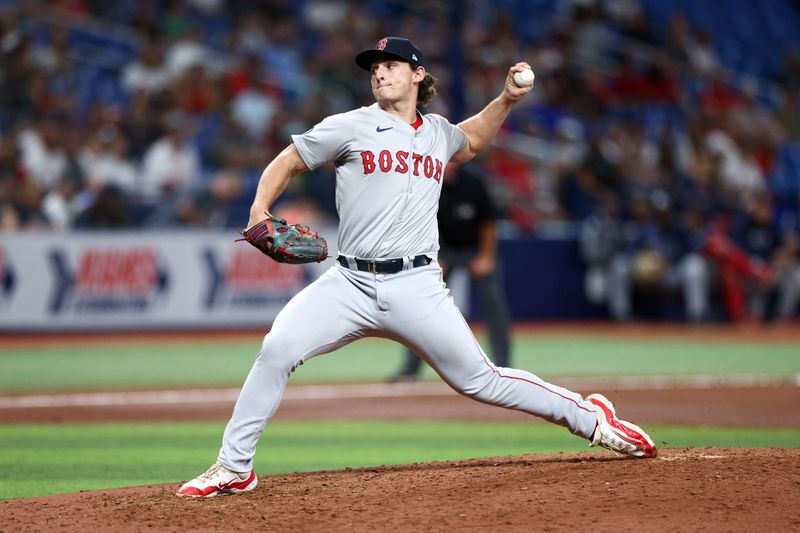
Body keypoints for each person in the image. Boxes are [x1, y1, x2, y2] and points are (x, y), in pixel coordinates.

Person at [177, 37, 656, 498]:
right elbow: (289, 159)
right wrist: (259, 209)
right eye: (374, 67)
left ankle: (593, 418)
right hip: (349, 282)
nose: (380, 72)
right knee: (277, 348)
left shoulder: (438, 133)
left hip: (417, 284)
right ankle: (235, 467)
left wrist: (507, 99)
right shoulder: (349, 125)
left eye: (390, 64)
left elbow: (470, 139)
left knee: (480, 380)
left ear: (417, 75)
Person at [391, 162, 512, 381]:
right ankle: (410, 370)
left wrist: (486, 256)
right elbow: (417, 225)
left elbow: (488, 222)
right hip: (441, 250)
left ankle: (505, 368)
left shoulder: (472, 181)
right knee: (421, 305)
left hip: (475, 247)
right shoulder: (424, 183)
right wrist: (431, 258)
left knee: (494, 303)